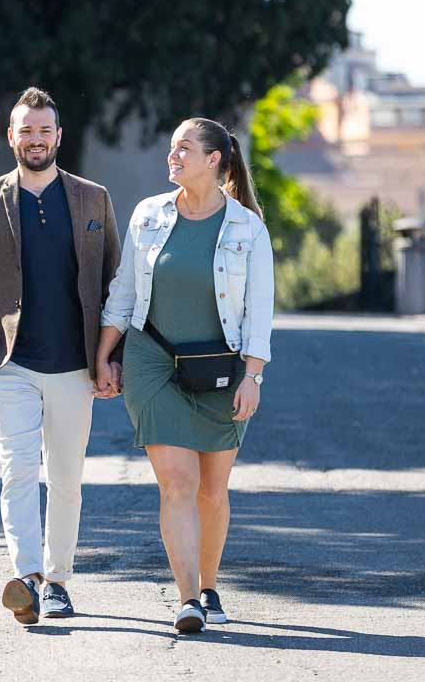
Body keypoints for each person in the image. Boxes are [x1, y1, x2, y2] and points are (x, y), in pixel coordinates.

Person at [0, 87, 122, 625]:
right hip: (9, 363)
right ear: (12, 137)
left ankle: (59, 580)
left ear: (59, 136)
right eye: (27, 130)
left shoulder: (94, 199)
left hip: (76, 363)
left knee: (66, 476)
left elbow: (118, 282)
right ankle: (25, 577)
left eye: (45, 130)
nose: (36, 139)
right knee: (18, 470)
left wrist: (112, 358)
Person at [95, 117, 274, 633]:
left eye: (185, 148)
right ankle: (188, 599)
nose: (172, 156)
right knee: (178, 482)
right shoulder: (147, 215)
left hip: (223, 366)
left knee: (212, 490)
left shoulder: (247, 228)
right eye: (172, 147)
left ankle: (212, 585)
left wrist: (253, 376)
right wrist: (106, 357)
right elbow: (123, 292)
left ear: (214, 159)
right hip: (153, 360)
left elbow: (260, 309)